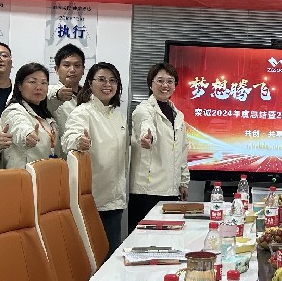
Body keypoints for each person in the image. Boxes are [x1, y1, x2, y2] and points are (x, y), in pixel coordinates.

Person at [63, 62, 128, 258]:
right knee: (92, 257)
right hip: (92, 199)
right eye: (101, 79)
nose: (107, 84)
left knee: (111, 255)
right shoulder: (83, 112)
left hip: (115, 199)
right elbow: (69, 137)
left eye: (112, 80)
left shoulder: (118, 115)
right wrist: (79, 141)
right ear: (90, 83)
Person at [129, 62, 189, 231]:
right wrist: (147, 137)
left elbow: (182, 150)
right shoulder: (143, 109)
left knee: (168, 239)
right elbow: (146, 125)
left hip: (171, 190)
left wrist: (183, 182)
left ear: (175, 85)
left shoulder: (178, 115)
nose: (165, 85)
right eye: (160, 81)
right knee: (143, 240)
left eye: (170, 81)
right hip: (147, 191)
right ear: (151, 84)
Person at [0, 63, 58, 169]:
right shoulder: (14, 110)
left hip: (44, 172)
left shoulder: (45, 113)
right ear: (19, 86)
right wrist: (27, 136)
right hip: (23, 174)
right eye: (32, 82)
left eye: (43, 83)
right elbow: (19, 126)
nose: (39, 87)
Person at [47, 43, 86, 142]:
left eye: (77, 65)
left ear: (83, 70)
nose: (72, 70)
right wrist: (58, 95)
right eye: (66, 65)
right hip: (61, 150)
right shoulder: (48, 91)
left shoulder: (90, 96)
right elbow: (50, 99)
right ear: (56, 69)